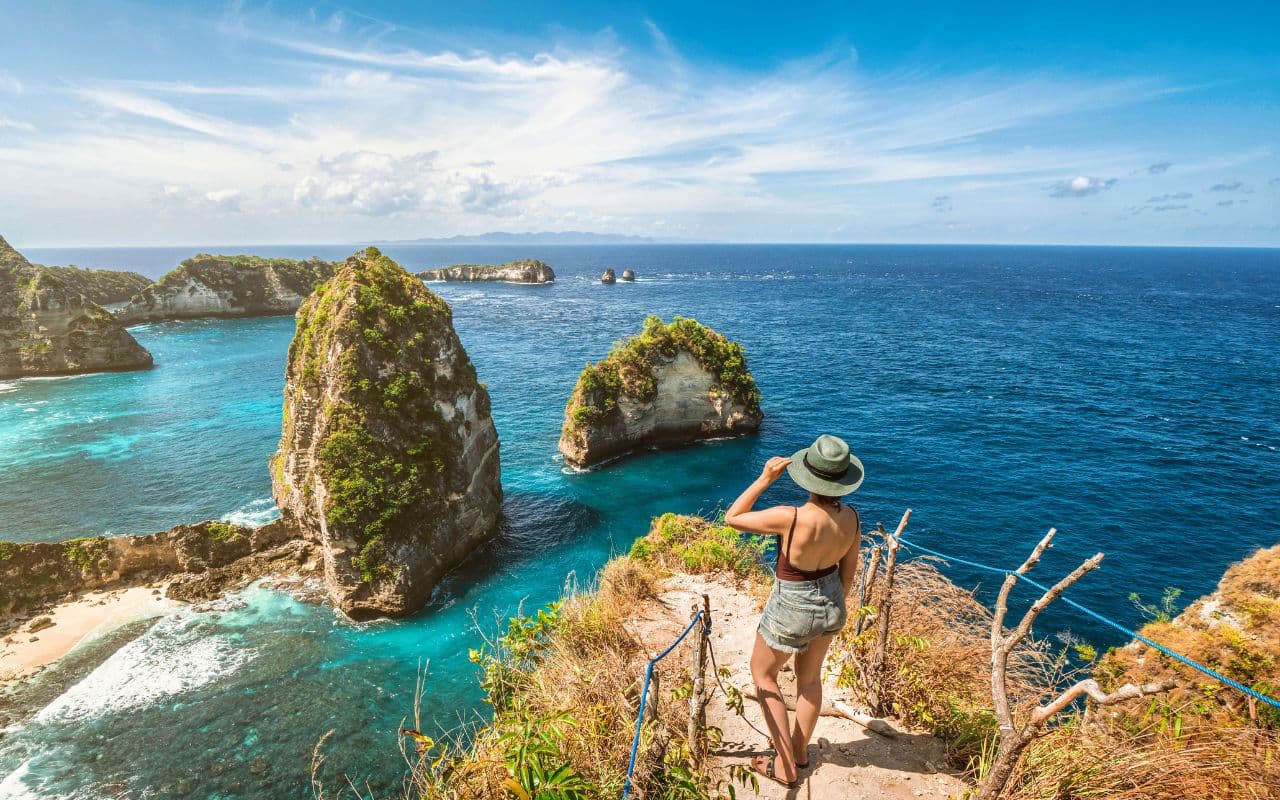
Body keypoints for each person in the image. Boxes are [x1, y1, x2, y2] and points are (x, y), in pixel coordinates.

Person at [723, 434, 864, 787]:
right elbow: (848, 574)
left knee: (763, 674)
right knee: (810, 679)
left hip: (792, 604)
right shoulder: (852, 519)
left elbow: (733, 517)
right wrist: (833, 608)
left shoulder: (791, 517)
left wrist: (765, 478)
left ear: (808, 477)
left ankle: (784, 766)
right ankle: (800, 752)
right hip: (832, 600)